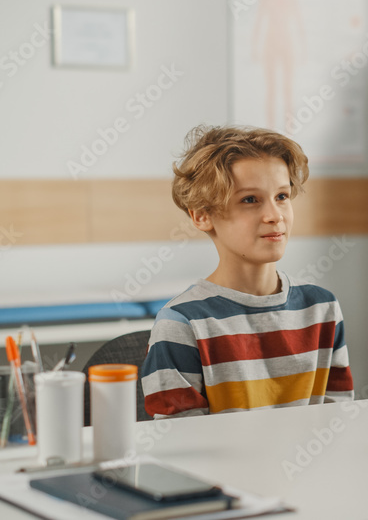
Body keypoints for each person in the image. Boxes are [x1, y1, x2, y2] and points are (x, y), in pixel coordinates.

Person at [141, 125, 354, 418]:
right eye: (250, 200)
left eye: (282, 196)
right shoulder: (181, 325)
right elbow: (180, 445)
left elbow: (337, 421)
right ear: (202, 215)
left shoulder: (322, 307)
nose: (275, 215)